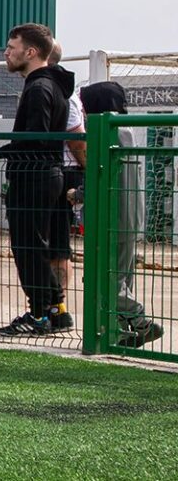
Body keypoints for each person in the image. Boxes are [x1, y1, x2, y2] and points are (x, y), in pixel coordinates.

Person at [0, 23, 72, 336]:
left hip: (34, 176)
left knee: (27, 247)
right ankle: (55, 310)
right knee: (36, 245)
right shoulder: (50, 86)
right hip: (45, 174)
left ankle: (39, 315)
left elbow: (34, 137)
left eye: (11, 47)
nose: (6, 53)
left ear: (30, 52)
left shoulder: (39, 88)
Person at [77, 81, 164, 347]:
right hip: (130, 217)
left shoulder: (103, 129)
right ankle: (118, 333)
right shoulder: (124, 129)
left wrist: (79, 194)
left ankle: (140, 321)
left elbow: (100, 174)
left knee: (105, 276)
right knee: (122, 276)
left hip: (112, 218)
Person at [48, 43, 86, 312]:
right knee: (49, 242)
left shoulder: (66, 96)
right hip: (52, 171)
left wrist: (87, 168)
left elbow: (76, 137)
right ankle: (50, 304)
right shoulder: (47, 89)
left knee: (59, 244)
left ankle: (58, 307)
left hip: (65, 171)